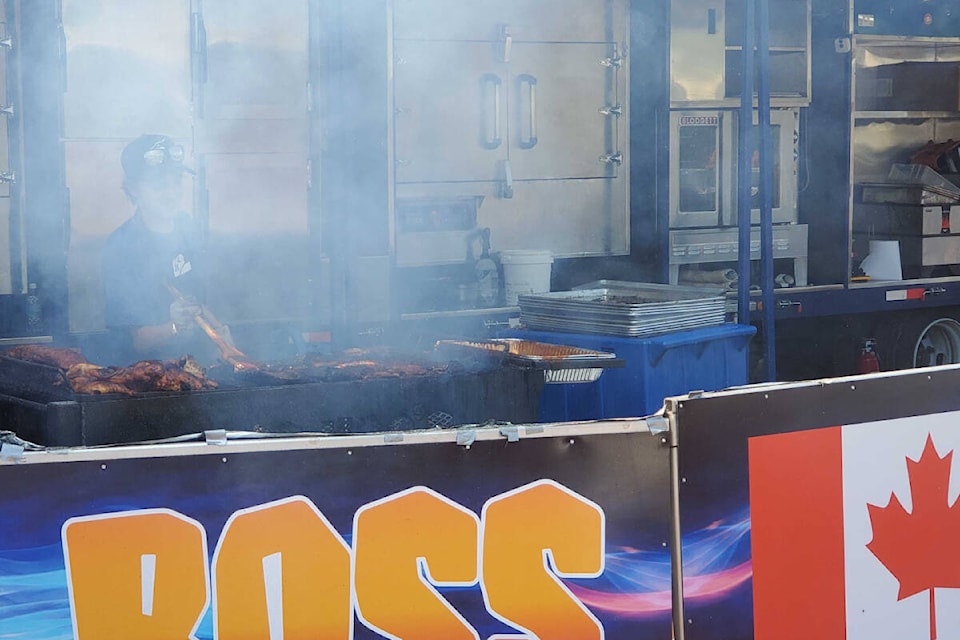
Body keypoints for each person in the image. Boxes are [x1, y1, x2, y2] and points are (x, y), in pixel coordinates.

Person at [102, 134, 210, 364]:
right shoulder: (122, 247)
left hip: (200, 368)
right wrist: (174, 326)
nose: (171, 193)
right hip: (149, 379)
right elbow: (137, 341)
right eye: (160, 185)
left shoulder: (190, 229)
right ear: (133, 188)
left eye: (176, 181)